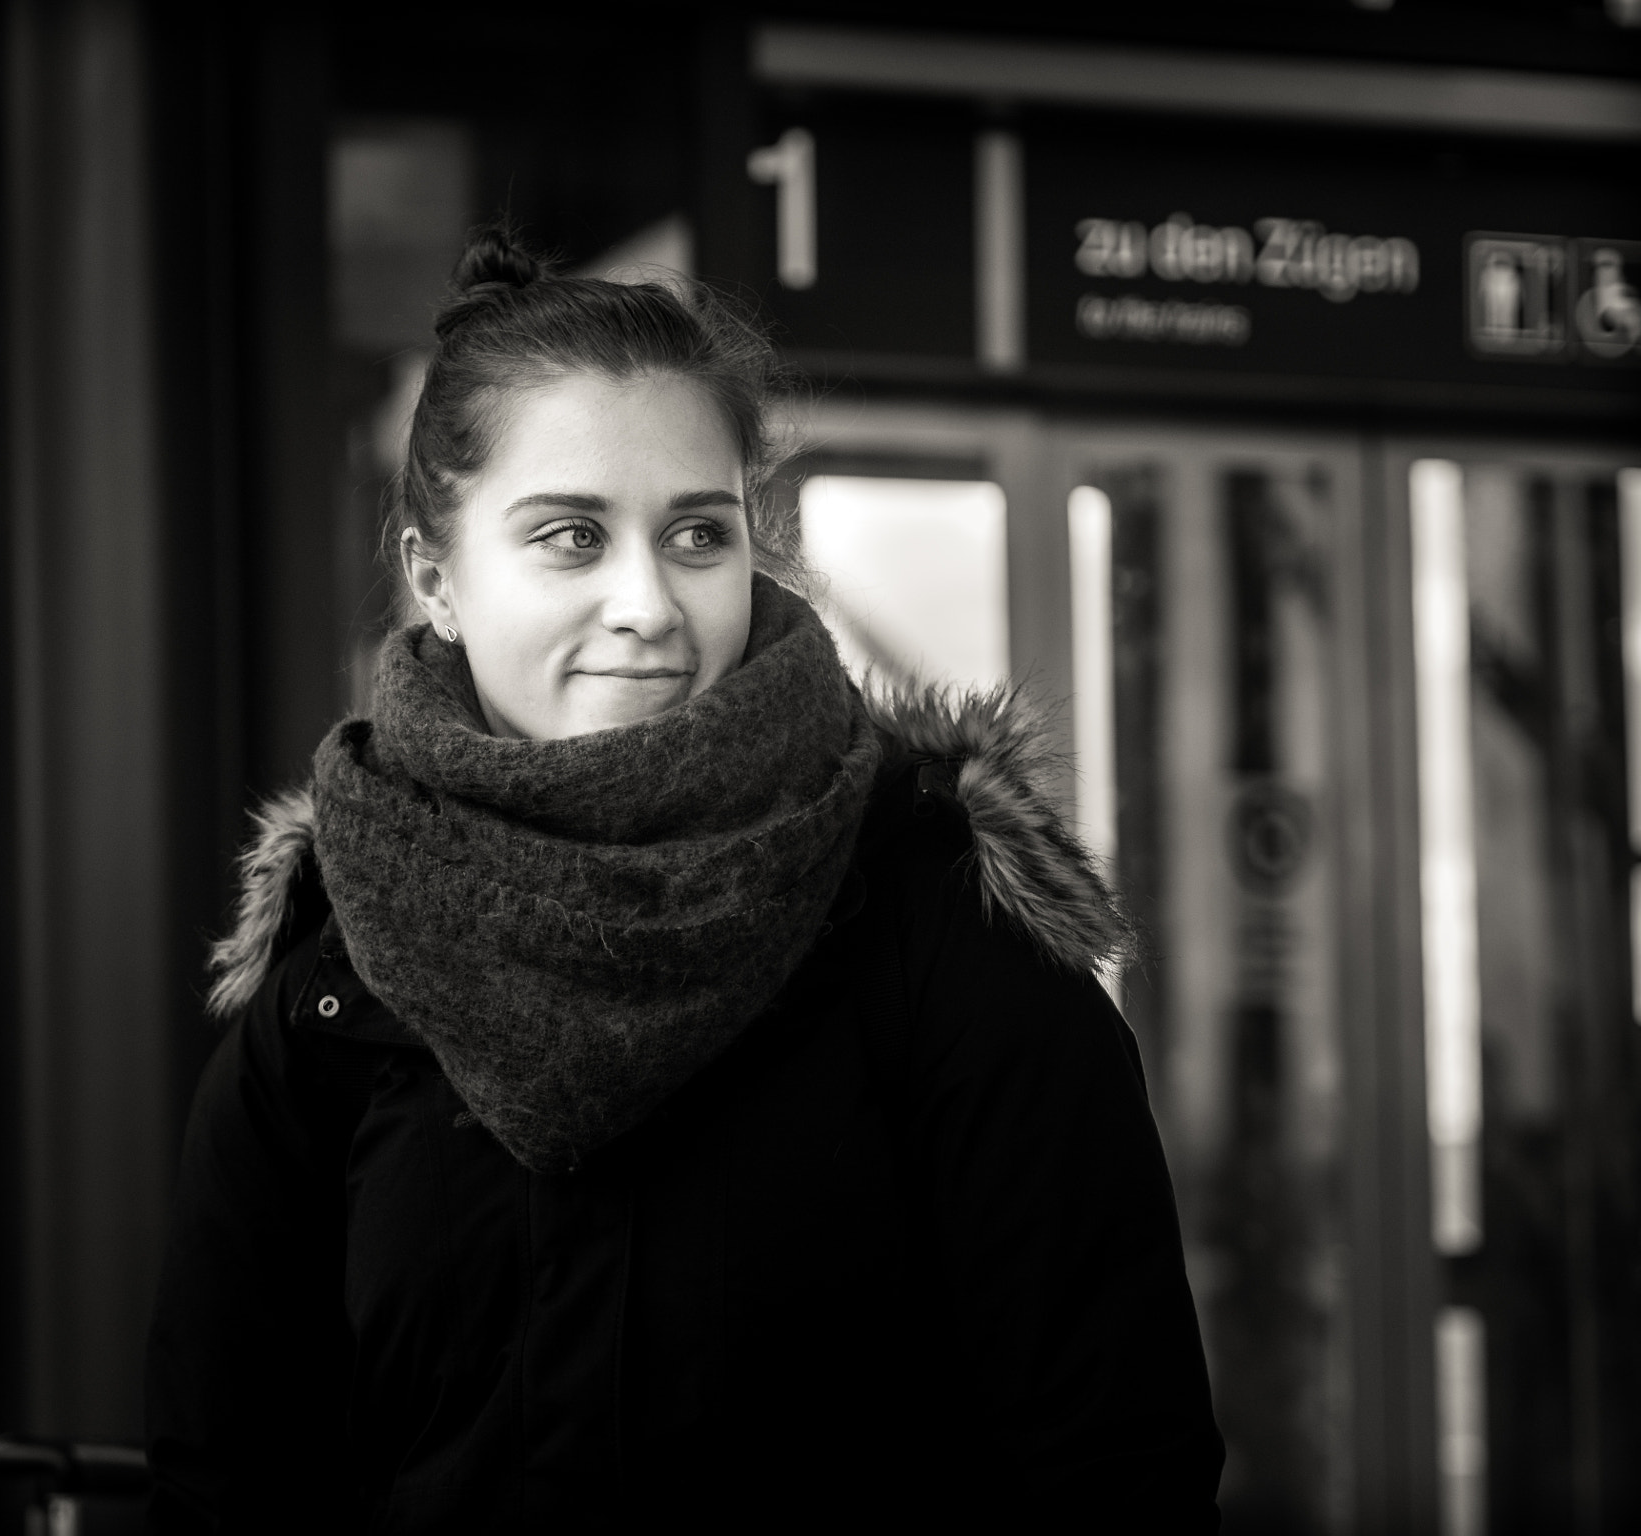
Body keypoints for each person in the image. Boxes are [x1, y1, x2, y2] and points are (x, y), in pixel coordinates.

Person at [144, 227, 1224, 1532]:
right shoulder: (332, 983)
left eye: (698, 536)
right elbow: (226, 1482)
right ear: (438, 580)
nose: (648, 602)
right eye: (569, 537)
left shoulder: (941, 933)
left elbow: (1118, 1470)